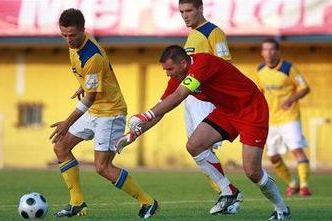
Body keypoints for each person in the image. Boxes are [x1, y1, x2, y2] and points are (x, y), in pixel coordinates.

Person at [116, 45, 291, 220]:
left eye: (170, 69)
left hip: (250, 109)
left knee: (252, 171)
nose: (168, 74)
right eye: (165, 70)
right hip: (226, 111)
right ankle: (229, 191)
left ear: (184, 63)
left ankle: (281, 210)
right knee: (194, 145)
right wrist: (133, 134)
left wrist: (146, 115)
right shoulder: (178, 77)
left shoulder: (203, 63)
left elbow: (179, 97)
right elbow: (161, 108)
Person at [49, 8, 158, 218]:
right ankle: (77, 203)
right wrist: (85, 85)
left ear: (83, 30)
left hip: (110, 112)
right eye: (64, 35)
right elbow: (91, 81)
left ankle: (148, 202)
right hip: (95, 109)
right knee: (61, 147)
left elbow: (90, 97)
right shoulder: (75, 48)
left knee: (102, 167)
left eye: (72, 35)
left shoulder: (92, 55)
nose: (68, 40)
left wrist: (66, 123)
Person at [179, 0, 239, 202]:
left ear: (200, 9)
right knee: (195, 149)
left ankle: (228, 193)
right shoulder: (192, 36)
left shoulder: (213, 32)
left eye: (189, 10)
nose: (185, 15)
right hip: (191, 98)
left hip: (205, 99)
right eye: (182, 11)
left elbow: (225, 64)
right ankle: (227, 192)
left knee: (202, 147)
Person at [256, 38, 311, 197]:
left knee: (297, 150)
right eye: (265, 49)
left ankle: (304, 186)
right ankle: (292, 183)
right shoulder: (260, 70)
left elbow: (305, 88)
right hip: (271, 120)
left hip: (289, 117)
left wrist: (291, 99)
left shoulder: (288, 68)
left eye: (272, 49)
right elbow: (260, 93)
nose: (269, 53)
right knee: (272, 156)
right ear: (262, 52)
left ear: (278, 52)